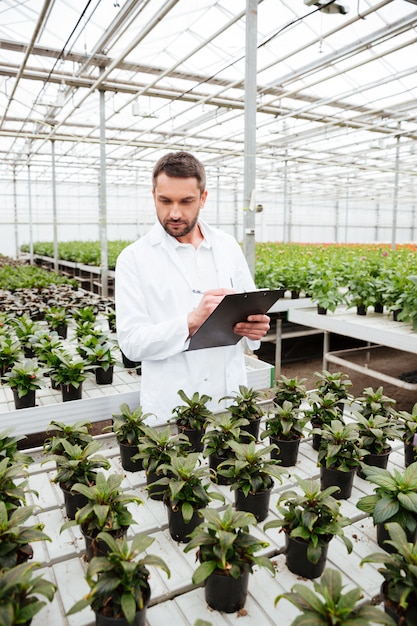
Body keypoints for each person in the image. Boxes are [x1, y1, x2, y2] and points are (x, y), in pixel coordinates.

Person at [115, 151, 270, 425]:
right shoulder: (134, 258)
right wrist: (192, 321)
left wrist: (256, 330)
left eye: (186, 201)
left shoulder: (226, 246)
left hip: (229, 402)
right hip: (171, 410)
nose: (174, 213)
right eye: (165, 201)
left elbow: (251, 309)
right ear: (153, 196)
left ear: (203, 198)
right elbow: (132, 345)